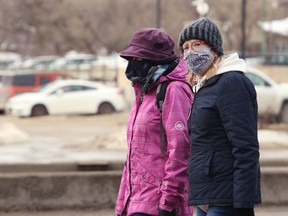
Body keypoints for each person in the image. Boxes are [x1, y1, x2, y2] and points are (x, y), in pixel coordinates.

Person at [178, 18, 261, 216]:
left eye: (197, 44)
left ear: (213, 47)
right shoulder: (205, 86)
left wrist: (242, 203)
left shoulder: (231, 82)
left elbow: (245, 147)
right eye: (185, 47)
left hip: (227, 200)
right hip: (206, 196)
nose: (190, 52)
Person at [115, 28, 194, 216]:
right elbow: (133, 158)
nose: (134, 64)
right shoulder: (144, 91)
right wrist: (122, 204)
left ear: (155, 61)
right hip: (136, 200)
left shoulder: (173, 90)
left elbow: (180, 149)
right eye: (132, 59)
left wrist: (168, 201)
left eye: (139, 59)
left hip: (158, 203)